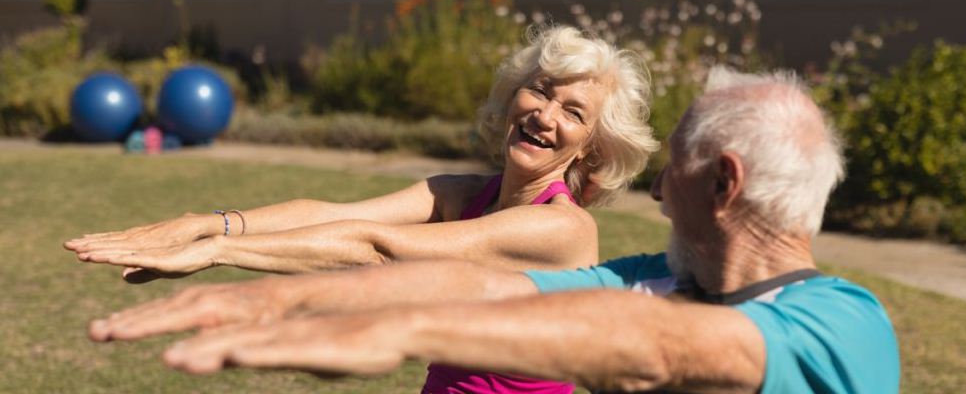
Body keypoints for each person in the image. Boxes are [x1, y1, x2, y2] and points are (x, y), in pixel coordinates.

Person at [86, 66, 900, 393]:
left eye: (675, 166)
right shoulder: (662, 275)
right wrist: (276, 299)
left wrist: (396, 326)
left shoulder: (843, 323)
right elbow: (484, 285)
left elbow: (665, 345)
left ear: (724, 181)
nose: (656, 189)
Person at [67, 26, 659, 393]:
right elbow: (331, 210)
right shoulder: (465, 195)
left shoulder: (559, 230)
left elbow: (378, 249)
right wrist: (205, 221)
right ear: (514, 96)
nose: (545, 115)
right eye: (541, 91)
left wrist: (219, 253)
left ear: (594, 147)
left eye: (573, 112)